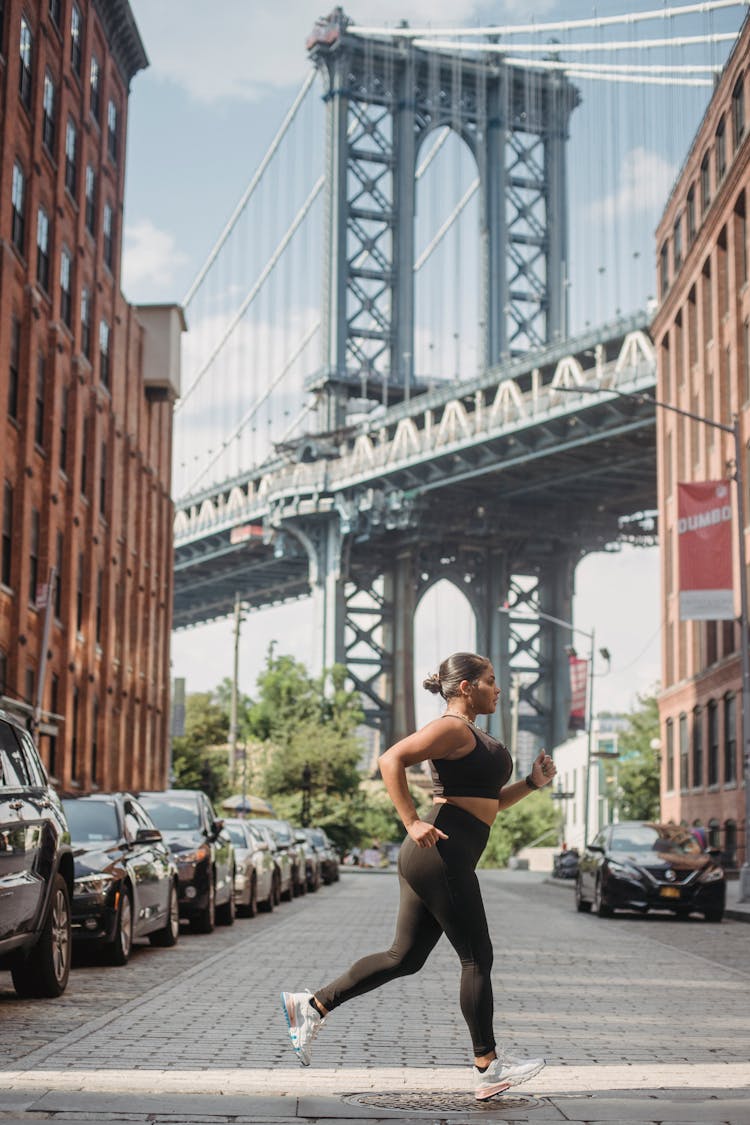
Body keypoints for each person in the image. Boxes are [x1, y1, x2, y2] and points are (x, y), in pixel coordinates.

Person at [280, 651, 557, 1102]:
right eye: (490, 680)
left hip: (440, 853)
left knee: (404, 957)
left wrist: (530, 783)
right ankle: (487, 1068)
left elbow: (487, 804)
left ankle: (311, 1007)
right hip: (439, 852)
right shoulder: (451, 726)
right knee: (476, 957)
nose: (498, 688)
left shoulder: (470, 733)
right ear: (465, 687)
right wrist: (410, 820)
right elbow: (392, 759)